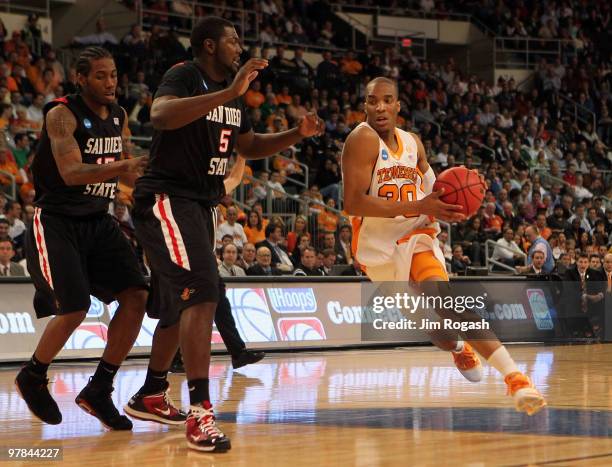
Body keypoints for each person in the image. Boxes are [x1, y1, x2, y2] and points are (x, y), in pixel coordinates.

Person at [122, 17, 323, 452]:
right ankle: (200, 412)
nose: (240, 46)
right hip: (167, 199)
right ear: (209, 46)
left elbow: (247, 147)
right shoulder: (186, 75)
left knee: (183, 302)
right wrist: (229, 92)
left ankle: (151, 393)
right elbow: (159, 115)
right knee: (204, 289)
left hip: (200, 203)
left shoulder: (233, 98)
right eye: (232, 40)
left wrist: (295, 134)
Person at [341, 76, 545, 415]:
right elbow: (353, 204)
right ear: (365, 105)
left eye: (386, 100)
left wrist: (452, 207)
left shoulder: (413, 143)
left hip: (416, 236)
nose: (379, 107)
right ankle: (457, 347)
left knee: (446, 299)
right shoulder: (361, 140)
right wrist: (421, 206)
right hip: (378, 251)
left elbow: (434, 188)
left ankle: (516, 379)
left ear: (397, 106)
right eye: (372, 100)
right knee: (435, 329)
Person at [15, 47, 149, 430]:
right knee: (73, 308)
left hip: (99, 219)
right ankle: (33, 375)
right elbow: (72, 172)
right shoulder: (61, 114)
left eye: (114, 75)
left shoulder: (119, 115)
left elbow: (123, 174)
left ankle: (100, 387)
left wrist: (159, 184)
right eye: (101, 76)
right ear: (81, 79)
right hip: (58, 220)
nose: (111, 83)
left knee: (137, 294)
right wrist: (124, 165)